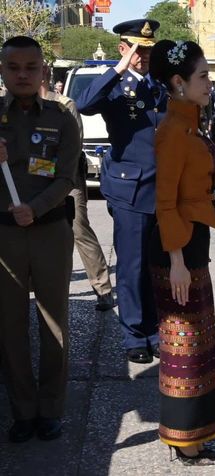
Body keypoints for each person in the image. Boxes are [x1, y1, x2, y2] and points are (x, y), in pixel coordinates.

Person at [0, 36, 81, 442]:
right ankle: (22, 410)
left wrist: (38, 206)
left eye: (31, 67)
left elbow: (67, 176)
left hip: (49, 232)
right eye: (13, 67)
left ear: (43, 72)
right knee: (10, 328)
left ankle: (51, 408)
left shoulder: (61, 118)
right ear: (2, 71)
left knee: (54, 325)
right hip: (4, 238)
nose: (22, 75)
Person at [148, 39, 215, 466]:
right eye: (203, 76)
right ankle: (183, 439)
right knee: (183, 345)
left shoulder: (191, 124)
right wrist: (176, 259)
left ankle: (193, 435)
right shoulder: (173, 131)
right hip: (177, 247)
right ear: (178, 82)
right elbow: (165, 200)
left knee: (197, 343)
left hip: (193, 240)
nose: (209, 82)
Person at [76, 19, 167, 363]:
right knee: (132, 265)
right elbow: (84, 103)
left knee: (156, 264)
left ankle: (155, 329)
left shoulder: (159, 86)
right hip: (130, 189)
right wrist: (118, 69)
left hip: (163, 189)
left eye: (148, 50)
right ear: (123, 49)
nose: (143, 56)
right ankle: (134, 335)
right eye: (137, 49)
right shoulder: (115, 85)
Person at [41, 66, 115, 312]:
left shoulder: (64, 104)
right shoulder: (20, 105)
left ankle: (102, 287)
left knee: (79, 229)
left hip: (67, 179)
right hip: (34, 180)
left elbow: (72, 147)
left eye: (36, 68)